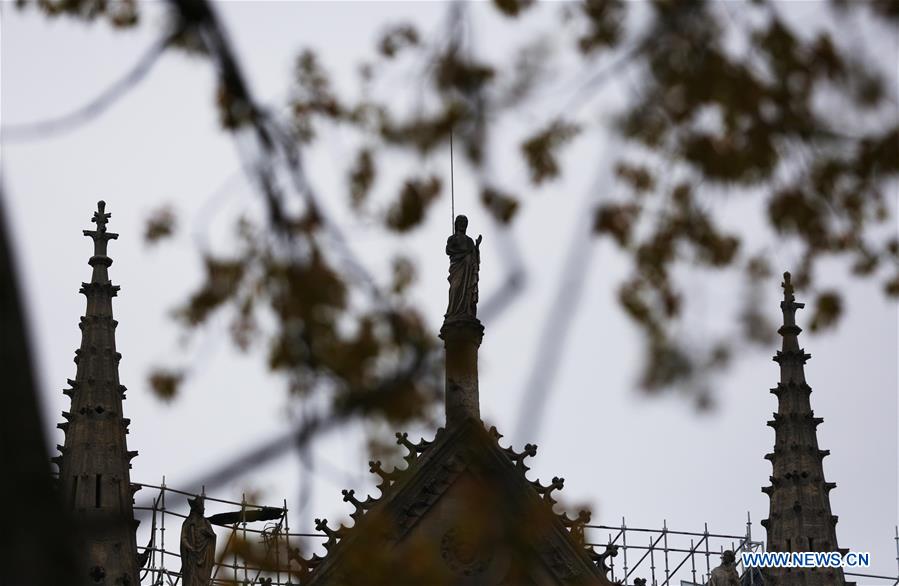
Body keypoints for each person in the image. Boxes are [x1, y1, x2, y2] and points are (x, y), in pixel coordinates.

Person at [445, 215, 482, 320]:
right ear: (456, 224)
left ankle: (466, 311)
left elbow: (474, 256)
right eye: (460, 222)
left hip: (468, 271)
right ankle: (452, 311)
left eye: (465, 223)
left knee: (467, 291)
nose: (463, 224)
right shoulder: (452, 238)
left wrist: (477, 247)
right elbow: (448, 250)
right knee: (455, 287)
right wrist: (463, 253)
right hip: (457, 268)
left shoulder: (470, 241)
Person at [180, 496, 217, 586]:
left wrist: (207, 533)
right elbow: (183, 538)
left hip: (205, 557)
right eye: (201, 505)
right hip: (193, 557)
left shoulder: (206, 523)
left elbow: (213, 536)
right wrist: (190, 547)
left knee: (204, 581)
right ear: (196, 508)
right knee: (191, 579)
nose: (204, 508)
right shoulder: (188, 523)